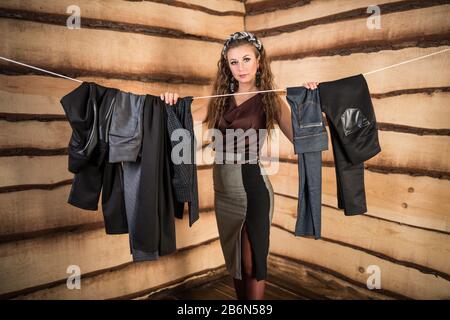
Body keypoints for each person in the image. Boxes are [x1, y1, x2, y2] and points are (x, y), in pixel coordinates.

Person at [161, 31, 318, 300]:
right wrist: (170, 100)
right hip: (224, 191)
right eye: (233, 62)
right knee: (233, 260)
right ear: (227, 66)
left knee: (251, 261)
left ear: (259, 61)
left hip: (253, 186)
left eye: (246, 59)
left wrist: (309, 100)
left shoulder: (270, 99)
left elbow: (300, 137)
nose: (240, 68)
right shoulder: (220, 99)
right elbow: (184, 118)